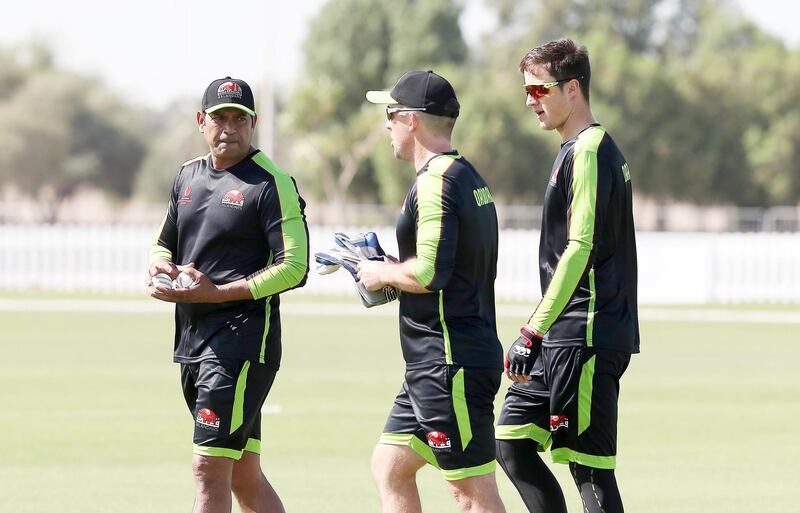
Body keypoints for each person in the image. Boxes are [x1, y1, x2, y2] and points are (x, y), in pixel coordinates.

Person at [147, 76, 309, 513]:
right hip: (192, 341)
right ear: (202, 121)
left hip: (241, 345)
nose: (229, 128)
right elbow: (166, 240)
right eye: (220, 118)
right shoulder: (187, 176)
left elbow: (295, 268)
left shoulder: (272, 183)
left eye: (240, 119)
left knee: (208, 469)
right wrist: (160, 264)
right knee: (243, 475)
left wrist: (217, 293)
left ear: (253, 124)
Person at [495, 39, 639, 513]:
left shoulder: (592, 148)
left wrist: (532, 329)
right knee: (512, 440)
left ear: (572, 88)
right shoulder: (572, 150)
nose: (529, 100)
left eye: (539, 90)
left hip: (588, 332)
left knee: (590, 471)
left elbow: (580, 247)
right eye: (526, 91)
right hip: (563, 335)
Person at [357, 70, 506, 513]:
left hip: (448, 361)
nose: (386, 125)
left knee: (471, 493)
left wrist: (380, 275)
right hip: (437, 360)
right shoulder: (466, 175)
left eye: (390, 115)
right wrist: (384, 266)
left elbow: (430, 273)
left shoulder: (436, 180)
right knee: (391, 465)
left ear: (411, 120)